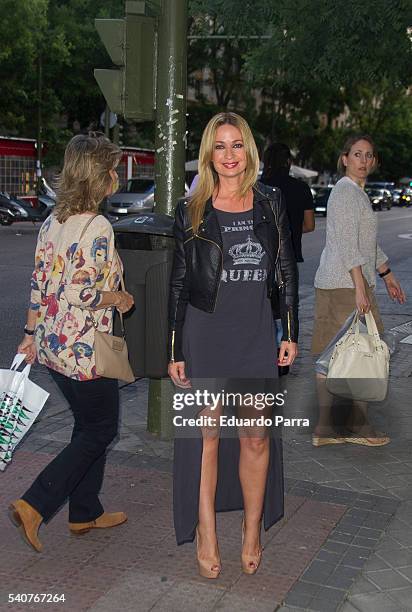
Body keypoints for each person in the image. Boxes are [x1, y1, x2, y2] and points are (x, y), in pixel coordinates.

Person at [168, 112, 299, 578]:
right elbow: (180, 283)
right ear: (208, 154)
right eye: (219, 146)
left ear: (248, 151)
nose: (229, 155)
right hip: (205, 336)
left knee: (255, 437)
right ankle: (206, 530)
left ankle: (251, 528)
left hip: (254, 335)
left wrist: (289, 331)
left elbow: (285, 270)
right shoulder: (192, 209)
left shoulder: (270, 202)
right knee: (205, 438)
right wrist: (175, 348)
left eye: (236, 145)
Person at [9, 133, 134, 552]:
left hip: (51, 345)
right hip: (85, 351)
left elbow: (40, 284)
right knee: (100, 430)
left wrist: (29, 335)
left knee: (87, 426)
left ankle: (84, 512)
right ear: (99, 177)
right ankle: (35, 502)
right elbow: (79, 294)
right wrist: (119, 298)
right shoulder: (97, 226)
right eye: (112, 169)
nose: (117, 176)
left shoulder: (52, 221)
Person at [311, 134, 406, 447]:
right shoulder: (345, 192)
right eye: (357, 154)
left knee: (333, 357)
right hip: (345, 285)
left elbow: (367, 244)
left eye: (369, 155)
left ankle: (327, 428)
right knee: (363, 355)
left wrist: (387, 275)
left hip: (343, 282)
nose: (363, 161)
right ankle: (358, 426)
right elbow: (347, 244)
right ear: (344, 158)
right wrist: (360, 288)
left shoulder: (355, 193)